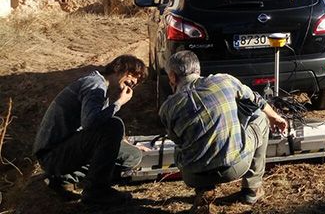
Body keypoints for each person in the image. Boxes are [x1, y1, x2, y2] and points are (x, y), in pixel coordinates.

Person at [159, 51, 287, 213]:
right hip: (235, 168)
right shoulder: (224, 81)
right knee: (260, 117)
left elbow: (178, 141)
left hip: (193, 175)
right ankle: (252, 189)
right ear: (198, 70)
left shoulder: (167, 108)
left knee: (182, 142)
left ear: (172, 76)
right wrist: (275, 118)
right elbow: (256, 100)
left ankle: (203, 190)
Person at [33, 55, 147, 205]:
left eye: (137, 80)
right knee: (114, 125)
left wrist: (129, 145)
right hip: (53, 155)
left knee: (132, 155)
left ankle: (65, 178)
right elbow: (90, 123)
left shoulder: (101, 88)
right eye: (132, 75)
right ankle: (96, 191)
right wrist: (118, 103)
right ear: (118, 68)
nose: (134, 82)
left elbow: (97, 127)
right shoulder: (95, 85)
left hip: (63, 151)